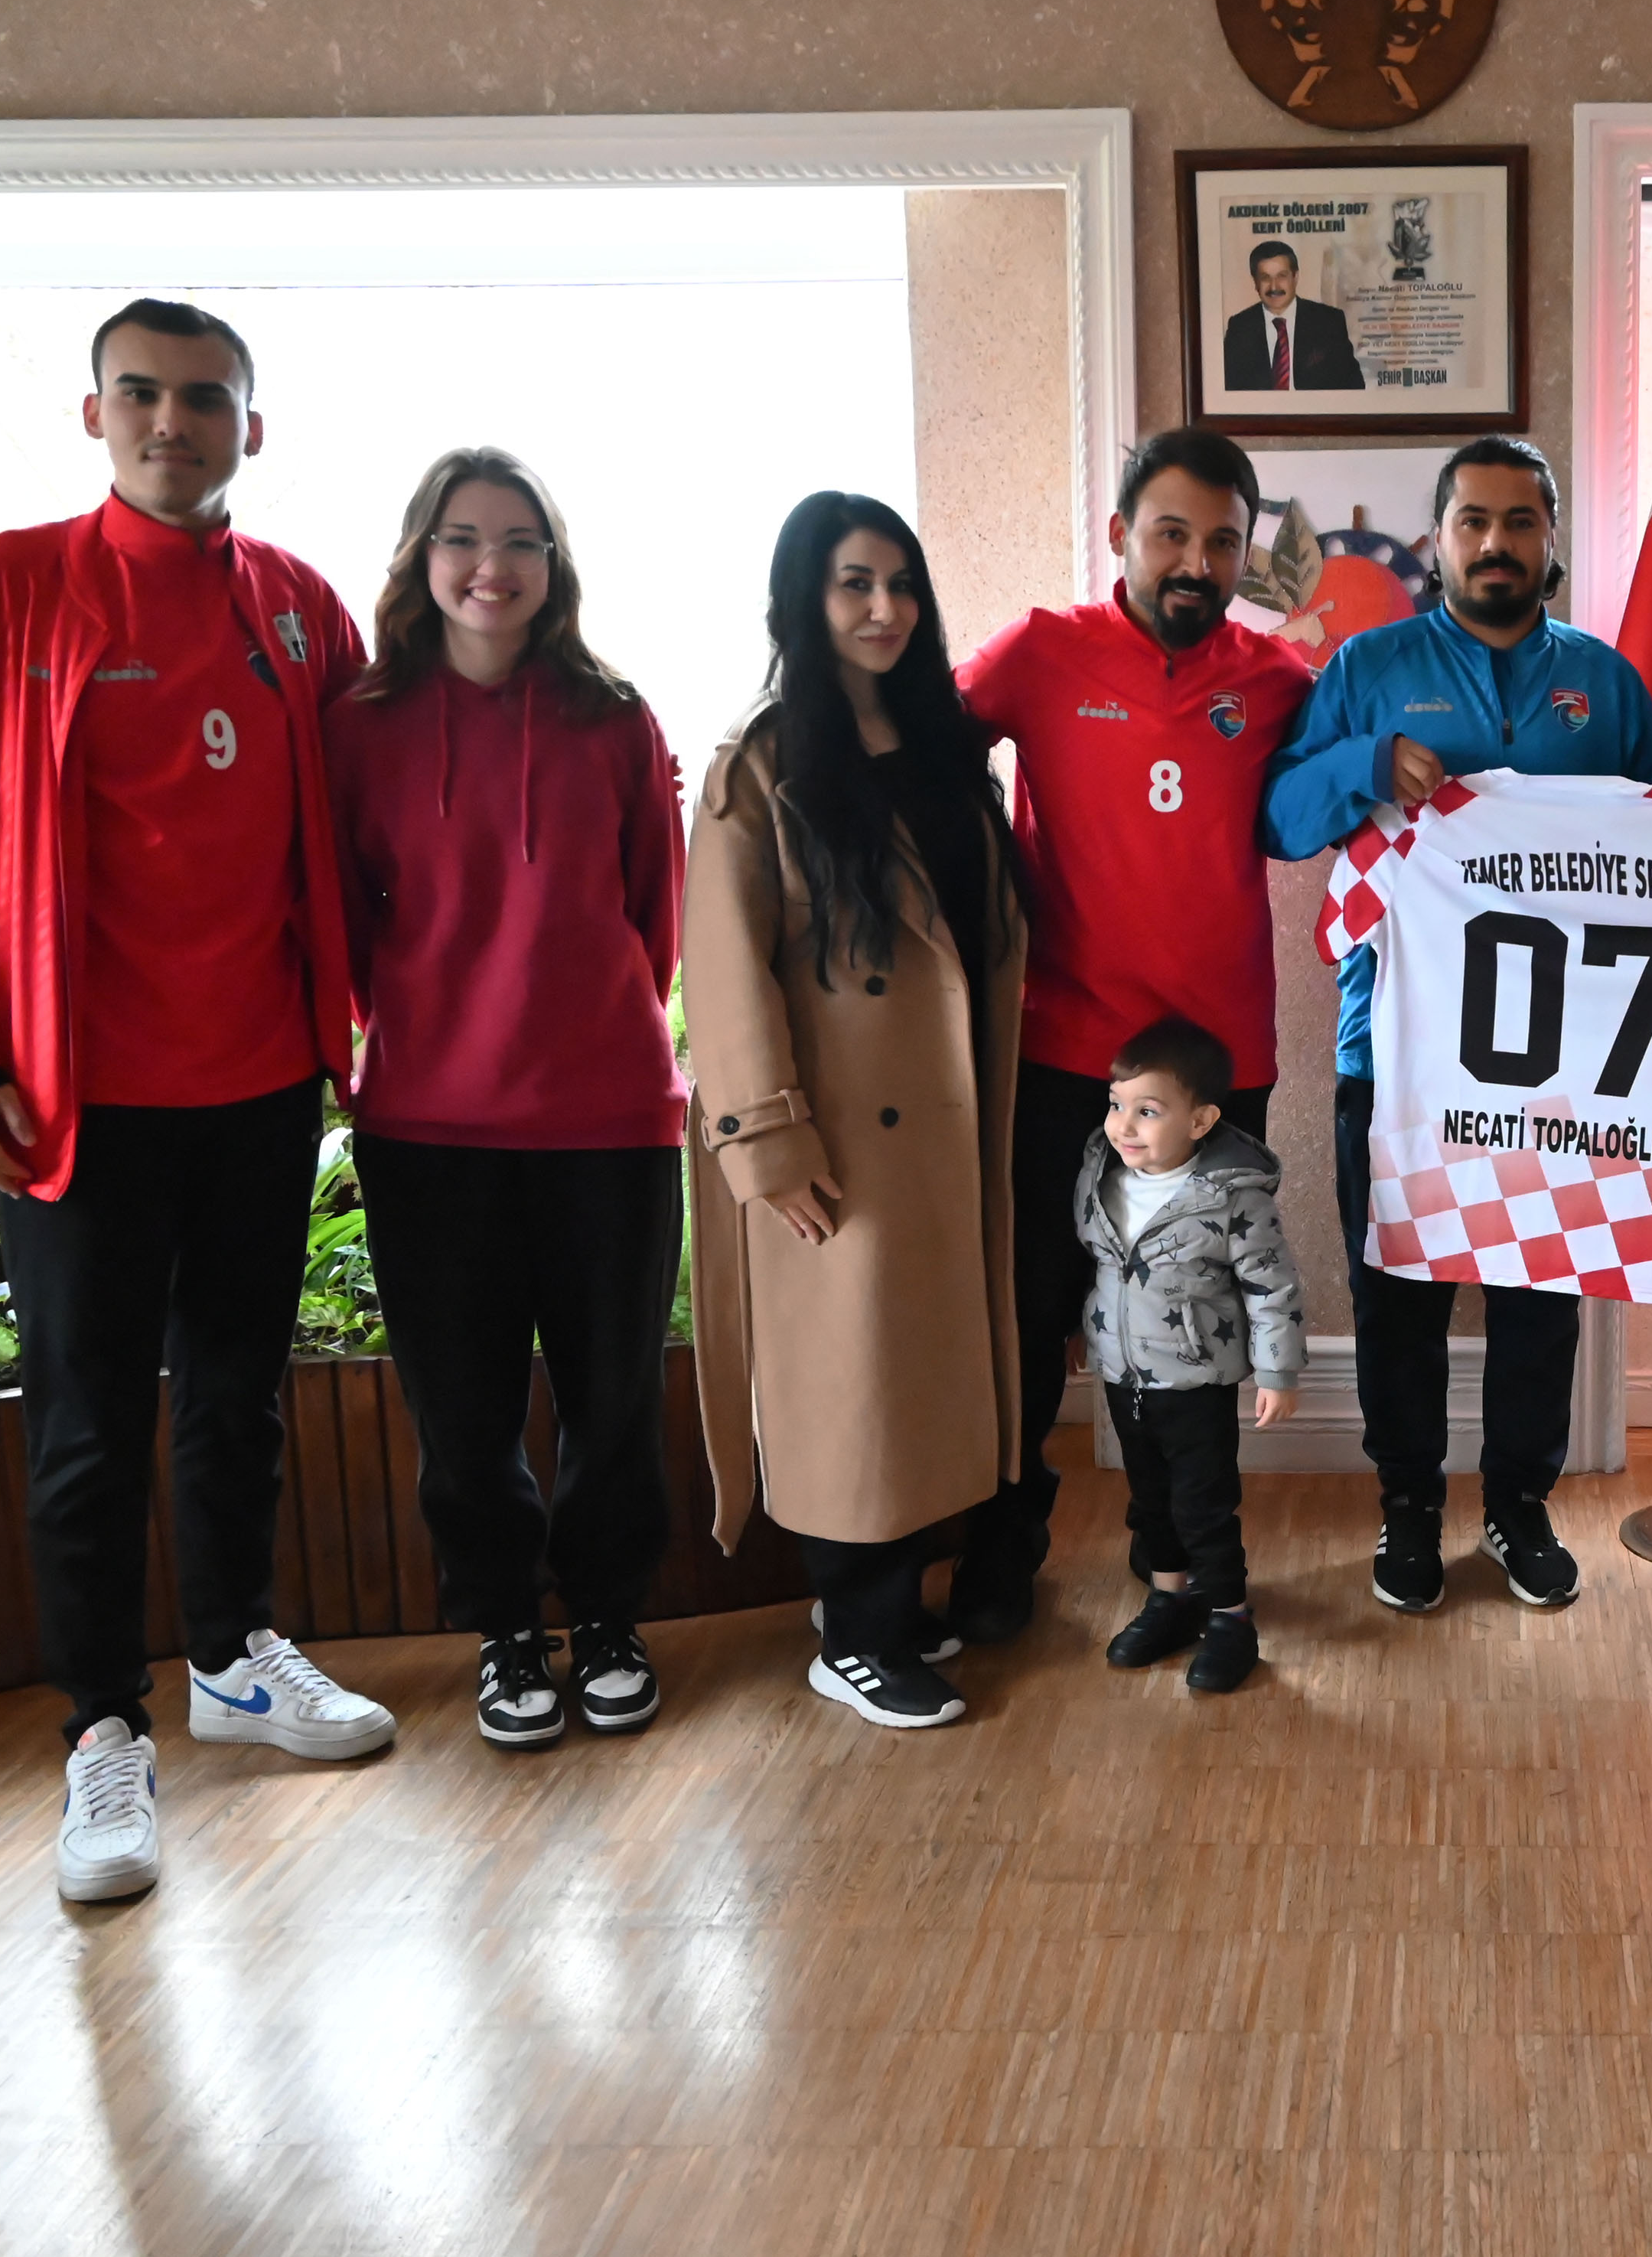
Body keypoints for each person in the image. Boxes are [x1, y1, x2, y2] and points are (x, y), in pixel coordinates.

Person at [0, 295, 393, 1904]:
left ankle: (234, 1657)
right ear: (94, 413)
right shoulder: (2, 590)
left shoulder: (300, 609)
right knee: (88, 1421)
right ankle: (104, 1730)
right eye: (143, 394)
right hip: (73, 1104)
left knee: (239, 1394)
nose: (174, 421)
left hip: (260, 1084)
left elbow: (379, 816)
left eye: (206, 397)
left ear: (253, 425)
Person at [1261, 435, 1652, 1615]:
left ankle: (1518, 1505)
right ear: (1436, 541)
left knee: (1543, 1288)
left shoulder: (1605, 683)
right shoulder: (1368, 668)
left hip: (1561, 1061)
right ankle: (1406, 1505)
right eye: (1474, 522)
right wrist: (1365, 762)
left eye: (1520, 522)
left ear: (1551, 538)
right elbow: (1281, 820)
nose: (1497, 544)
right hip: (1394, 1052)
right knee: (1399, 1296)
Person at [327, 448, 686, 1753]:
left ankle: (608, 1619)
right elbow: (344, 918)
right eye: (465, 538)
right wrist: (432, 1027)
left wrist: (583, 1021)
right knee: (463, 1412)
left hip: (609, 1120)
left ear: (554, 562)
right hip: (429, 1129)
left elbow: (655, 911)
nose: (494, 565)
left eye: (522, 540)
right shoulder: (360, 725)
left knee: (614, 1399)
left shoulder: (614, 716)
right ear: (421, 556)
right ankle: (504, 1632)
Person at [951, 427, 1312, 1644]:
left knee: (1188, 1335)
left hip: (1216, 1076)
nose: (1196, 562)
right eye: (1171, 534)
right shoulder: (1039, 652)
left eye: (1223, 541)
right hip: (1066, 1058)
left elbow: (1355, 784)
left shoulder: (1279, 679)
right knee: (1034, 1319)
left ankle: (1183, 1567)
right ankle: (1002, 1553)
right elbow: (913, 742)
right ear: (1120, 536)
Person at [682, 492, 1024, 1730]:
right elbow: (723, 961)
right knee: (852, 1382)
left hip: (947, 1113)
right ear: (804, 597)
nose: (885, 608)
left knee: (917, 1374)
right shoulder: (762, 759)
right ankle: (855, 1636)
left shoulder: (943, 743)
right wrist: (766, 1137)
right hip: (833, 1128)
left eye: (902, 583)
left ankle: (892, 1609)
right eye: (853, 583)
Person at [1076, 1015, 1304, 1695]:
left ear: (1200, 1120)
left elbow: (1273, 1287)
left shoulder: (1233, 1197)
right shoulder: (1101, 1177)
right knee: (1151, 1501)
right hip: (1123, 1376)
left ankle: (1230, 1617)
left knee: (1203, 1505)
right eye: (1116, 1105)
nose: (1124, 1126)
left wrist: (1278, 1371)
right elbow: (1100, 1267)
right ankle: (1170, 1599)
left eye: (1147, 1111)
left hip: (1195, 1378)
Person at [1221, 240, 1364, 392]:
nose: (1274, 286)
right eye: (1265, 278)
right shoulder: (1240, 327)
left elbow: (1353, 385)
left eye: (1282, 276)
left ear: (1295, 277)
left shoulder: (1329, 321)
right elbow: (1229, 388)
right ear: (1256, 283)